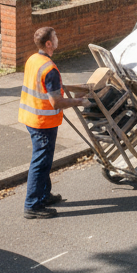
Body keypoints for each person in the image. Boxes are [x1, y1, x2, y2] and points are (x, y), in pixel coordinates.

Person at [18, 27, 93, 220]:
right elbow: (56, 102)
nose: (58, 39)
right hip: (43, 122)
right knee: (41, 162)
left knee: (44, 160)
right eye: (55, 37)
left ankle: (44, 195)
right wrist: (79, 101)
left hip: (30, 117)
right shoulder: (49, 68)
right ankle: (33, 205)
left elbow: (45, 88)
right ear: (49, 43)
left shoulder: (34, 60)